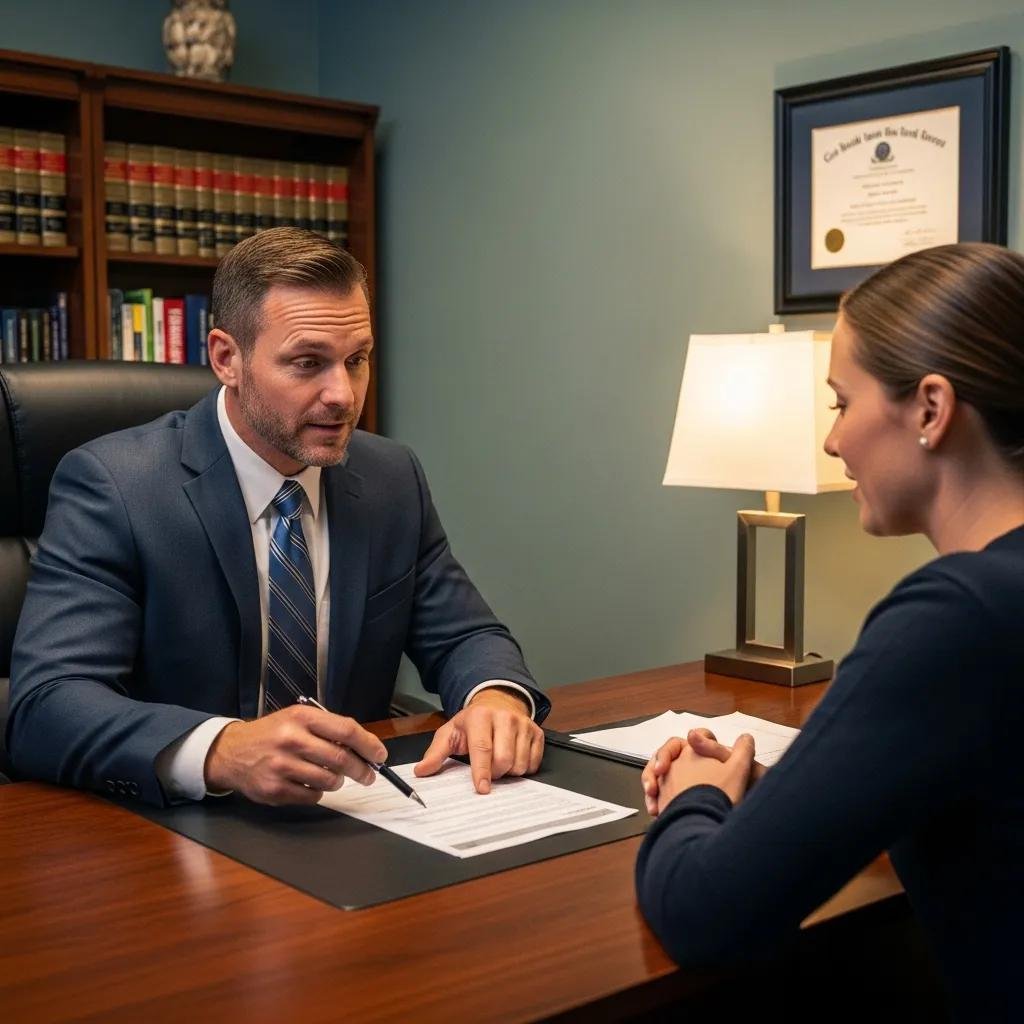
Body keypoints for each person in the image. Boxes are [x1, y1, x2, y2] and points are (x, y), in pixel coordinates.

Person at [8, 227, 549, 808]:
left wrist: (496, 698)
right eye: (307, 362)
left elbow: (466, 634)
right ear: (226, 359)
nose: (342, 394)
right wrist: (222, 751)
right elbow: (47, 703)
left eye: (357, 359)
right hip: (175, 833)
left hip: (354, 820)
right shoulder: (117, 485)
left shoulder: (391, 477)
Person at [636, 242, 1024, 1019]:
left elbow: (706, 913)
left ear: (931, 409)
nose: (832, 441)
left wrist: (693, 796)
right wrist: (779, 799)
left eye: (842, 404)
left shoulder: (958, 617)